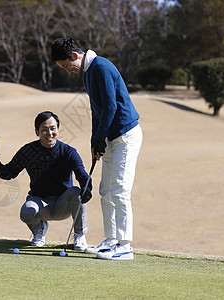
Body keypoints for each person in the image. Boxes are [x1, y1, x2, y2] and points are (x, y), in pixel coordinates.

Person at [51, 37, 143, 260]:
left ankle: (124, 245)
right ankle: (111, 241)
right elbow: (97, 110)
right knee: (105, 191)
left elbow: (111, 106)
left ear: (75, 56)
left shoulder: (100, 66)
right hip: (111, 138)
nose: (68, 70)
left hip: (125, 136)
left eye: (66, 66)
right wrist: (95, 141)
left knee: (120, 190)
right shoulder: (88, 73)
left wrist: (101, 137)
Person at [0, 111, 92, 250]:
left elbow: (81, 174)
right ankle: (39, 231)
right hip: (40, 203)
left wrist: (87, 187)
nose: (49, 133)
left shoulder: (68, 152)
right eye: (44, 129)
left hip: (63, 204)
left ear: (58, 130)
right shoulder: (28, 151)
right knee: (27, 211)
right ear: (37, 132)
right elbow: (10, 173)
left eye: (53, 128)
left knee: (77, 192)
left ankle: (79, 236)